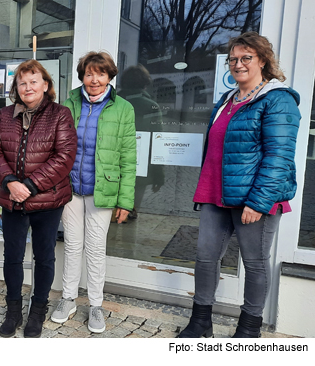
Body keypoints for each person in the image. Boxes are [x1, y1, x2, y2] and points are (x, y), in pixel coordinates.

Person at [178, 32, 299, 338]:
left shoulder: (278, 100)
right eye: (233, 59)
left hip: (254, 199)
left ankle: (249, 329)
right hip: (216, 193)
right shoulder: (228, 99)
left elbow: (279, 157)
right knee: (205, 258)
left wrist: (258, 203)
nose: (238, 64)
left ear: (263, 61)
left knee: (255, 263)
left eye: (246, 58)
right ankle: (201, 321)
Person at [0, 59, 77, 338]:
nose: (27, 87)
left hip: (47, 201)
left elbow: (65, 157)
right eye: (22, 82)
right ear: (17, 87)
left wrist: (29, 185)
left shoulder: (60, 114)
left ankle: (37, 310)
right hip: (12, 199)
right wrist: (10, 182)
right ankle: (13, 310)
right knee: (12, 257)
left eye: (33, 81)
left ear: (46, 85)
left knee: (44, 258)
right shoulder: (5, 115)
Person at [50, 51, 136, 334]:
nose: (94, 79)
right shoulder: (69, 103)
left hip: (103, 189)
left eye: (101, 73)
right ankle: (68, 299)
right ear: (82, 76)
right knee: (73, 246)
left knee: (96, 249)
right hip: (70, 188)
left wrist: (125, 200)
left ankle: (96, 305)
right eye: (89, 74)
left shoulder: (123, 108)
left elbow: (128, 156)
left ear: (110, 76)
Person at [117, 64, 164, 218]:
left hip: (112, 165)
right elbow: (156, 142)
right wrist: (158, 175)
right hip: (140, 167)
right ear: (145, 83)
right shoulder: (151, 106)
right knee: (132, 210)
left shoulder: (113, 103)